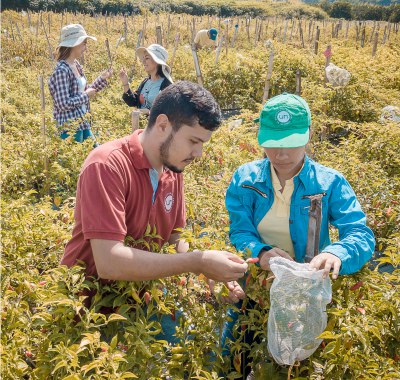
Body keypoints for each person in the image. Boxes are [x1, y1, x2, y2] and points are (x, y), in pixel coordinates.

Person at [60, 81, 248, 333]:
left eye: (203, 143)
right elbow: (109, 261)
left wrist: (208, 274)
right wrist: (197, 262)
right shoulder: (107, 165)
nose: (199, 153)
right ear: (162, 125)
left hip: (141, 298)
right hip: (89, 310)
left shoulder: (172, 168)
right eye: (193, 141)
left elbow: (174, 238)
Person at [221, 92, 375, 375]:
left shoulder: (329, 182)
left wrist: (335, 252)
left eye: (291, 144)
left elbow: (360, 233)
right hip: (255, 289)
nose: (281, 154)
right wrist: (261, 252)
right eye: (273, 144)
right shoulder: (245, 179)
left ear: (309, 135)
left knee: (300, 365)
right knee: (233, 359)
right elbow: (240, 231)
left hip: (307, 295)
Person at [48, 24, 112, 144]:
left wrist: (102, 79)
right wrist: (86, 96)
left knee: (94, 156)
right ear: (74, 44)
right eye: (84, 43)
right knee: (74, 160)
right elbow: (63, 103)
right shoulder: (62, 70)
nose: (85, 48)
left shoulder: (76, 64)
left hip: (82, 122)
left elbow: (85, 91)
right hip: (69, 127)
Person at [119, 44, 173, 116]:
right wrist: (125, 83)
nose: (143, 61)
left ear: (157, 61)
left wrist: (148, 112)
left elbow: (169, 112)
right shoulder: (146, 82)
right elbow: (133, 102)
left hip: (156, 126)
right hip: (140, 124)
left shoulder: (167, 85)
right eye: (143, 58)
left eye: (147, 58)